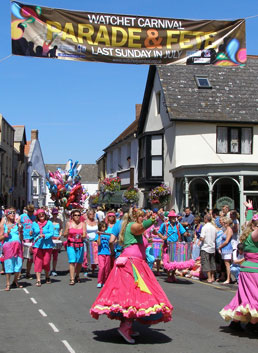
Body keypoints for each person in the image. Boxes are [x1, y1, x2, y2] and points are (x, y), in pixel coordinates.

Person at [90, 210, 173, 344]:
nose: (143, 218)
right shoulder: (132, 226)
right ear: (135, 217)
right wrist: (152, 220)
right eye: (141, 216)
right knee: (132, 295)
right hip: (131, 264)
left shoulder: (136, 229)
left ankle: (127, 325)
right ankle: (125, 327)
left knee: (135, 295)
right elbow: (140, 228)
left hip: (137, 264)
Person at [220, 201, 258, 332]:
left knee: (244, 296)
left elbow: (249, 222)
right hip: (253, 271)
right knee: (254, 297)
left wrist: (250, 209)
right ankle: (253, 323)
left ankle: (235, 323)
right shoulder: (254, 235)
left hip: (248, 270)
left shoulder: (248, 233)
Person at [157, 210, 191, 282]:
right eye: (172, 217)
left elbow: (183, 232)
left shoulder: (178, 225)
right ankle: (169, 276)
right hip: (168, 245)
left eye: (175, 217)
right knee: (169, 261)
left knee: (175, 261)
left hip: (176, 245)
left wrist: (186, 234)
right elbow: (159, 232)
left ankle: (172, 275)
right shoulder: (165, 224)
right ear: (169, 217)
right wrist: (163, 237)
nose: (174, 218)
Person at [0, 208, 23, 291]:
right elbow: (0, 238)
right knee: (9, 265)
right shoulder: (4, 225)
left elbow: (21, 237)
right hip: (8, 247)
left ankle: (15, 281)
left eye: (14, 213)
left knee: (19, 264)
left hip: (18, 246)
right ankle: (8, 284)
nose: (13, 214)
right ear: (7, 215)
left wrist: (21, 232)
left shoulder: (18, 224)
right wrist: (7, 233)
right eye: (10, 213)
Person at [31, 209, 54, 287]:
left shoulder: (49, 223)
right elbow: (33, 233)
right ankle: (38, 279)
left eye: (42, 214)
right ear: (37, 215)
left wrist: (44, 235)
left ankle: (47, 276)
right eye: (39, 214)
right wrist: (31, 233)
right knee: (38, 262)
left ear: (45, 214)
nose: (41, 215)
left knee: (46, 262)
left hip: (47, 246)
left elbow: (51, 233)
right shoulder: (34, 224)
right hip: (37, 245)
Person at [63, 209, 86, 285]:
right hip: (71, 244)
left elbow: (84, 234)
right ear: (72, 216)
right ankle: (72, 278)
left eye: (78, 215)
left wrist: (81, 236)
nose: (77, 217)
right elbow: (65, 234)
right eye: (75, 215)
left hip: (80, 245)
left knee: (79, 262)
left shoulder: (83, 224)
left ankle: (77, 275)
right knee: (72, 261)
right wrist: (67, 233)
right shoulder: (68, 224)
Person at [19, 204, 36, 279]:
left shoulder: (35, 217)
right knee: (21, 257)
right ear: (27, 210)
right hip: (23, 238)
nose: (31, 213)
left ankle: (28, 273)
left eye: (32, 211)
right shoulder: (22, 216)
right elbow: (17, 224)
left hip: (31, 239)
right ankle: (18, 273)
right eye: (29, 211)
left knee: (30, 258)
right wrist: (20, 227)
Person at [199, 214, 217, 283]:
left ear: (206, 219)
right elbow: (215, 237)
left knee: (206, 262)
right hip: (212, 247)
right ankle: (212, 277)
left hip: (206, 247)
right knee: (212, 262)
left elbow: (202, 237)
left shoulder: (204, 227)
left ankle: (209, 277)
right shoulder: (213, 227)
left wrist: (200, 238)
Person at [218, 217, 233, 284]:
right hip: (224, 248)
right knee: (226, 263)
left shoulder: (229, 230)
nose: (224, 224)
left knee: (227, 264)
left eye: (225, 223)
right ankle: (228, 278)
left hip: (227, 248)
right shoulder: (226, 229)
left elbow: (227, 241)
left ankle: (228, 278)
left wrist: (220, 247)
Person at [83, 209, 98, 277]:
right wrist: (86, 236)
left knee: (94, 255)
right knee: (86, 254)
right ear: (88, 215)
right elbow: (84, 231)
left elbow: (98, 231)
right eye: (90, 214)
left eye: (93, 214)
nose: (92, 216)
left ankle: (93, 269)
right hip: (87, 240)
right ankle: (86, 269)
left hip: (95, 241)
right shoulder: (85, 222)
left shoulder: (97, 222)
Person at [96, 221, 111, 288]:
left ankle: (105, 281)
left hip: (108, 253)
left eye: (105, 227)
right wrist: (99, 236)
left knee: (107, 268)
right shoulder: (99, 235)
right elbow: (98, 244)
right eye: (102, 227)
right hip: (101, 253)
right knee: (102, 267)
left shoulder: (108, 235)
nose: (104, 228)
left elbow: (111, 242)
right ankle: (100, 281)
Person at [50, 208, 63, 276]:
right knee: (49, 255)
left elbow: (61, 228)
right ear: (52, 214)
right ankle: (48, 269)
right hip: (50, 238)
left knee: (55, 255)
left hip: (56, 238)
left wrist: (60, 235)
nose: (55, 215)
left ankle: (54, 269)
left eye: (56, 214)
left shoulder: (59, 221)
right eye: (54, 213)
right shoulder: (49, 221)